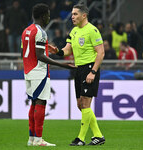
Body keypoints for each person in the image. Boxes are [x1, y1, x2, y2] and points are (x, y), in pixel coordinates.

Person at [49, 4, 105, 146]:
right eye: (72, 14)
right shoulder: (74, 31)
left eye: (75, 14)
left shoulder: (92, 30)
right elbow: (67, 50)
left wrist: (93, 71)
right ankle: (98, 135)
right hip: (78, 69)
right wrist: (57, 51)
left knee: (85, 103)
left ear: (84, 15)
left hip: (90, 68)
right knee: (81, 105)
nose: (72, 17)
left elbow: (101, 52)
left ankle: (80, 139)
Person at [21, 3, 76, 147]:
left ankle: (32, 139)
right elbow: (40, 56)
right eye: (48, 15)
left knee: (34, 103)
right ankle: (38, 140)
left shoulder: (26, 31)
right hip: (39, 71)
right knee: (40, 103)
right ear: (43, 16)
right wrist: (62, 64)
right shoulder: (41, 32)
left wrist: (48, 48)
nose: (49, 18)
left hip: (28, 71)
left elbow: (28, 51)